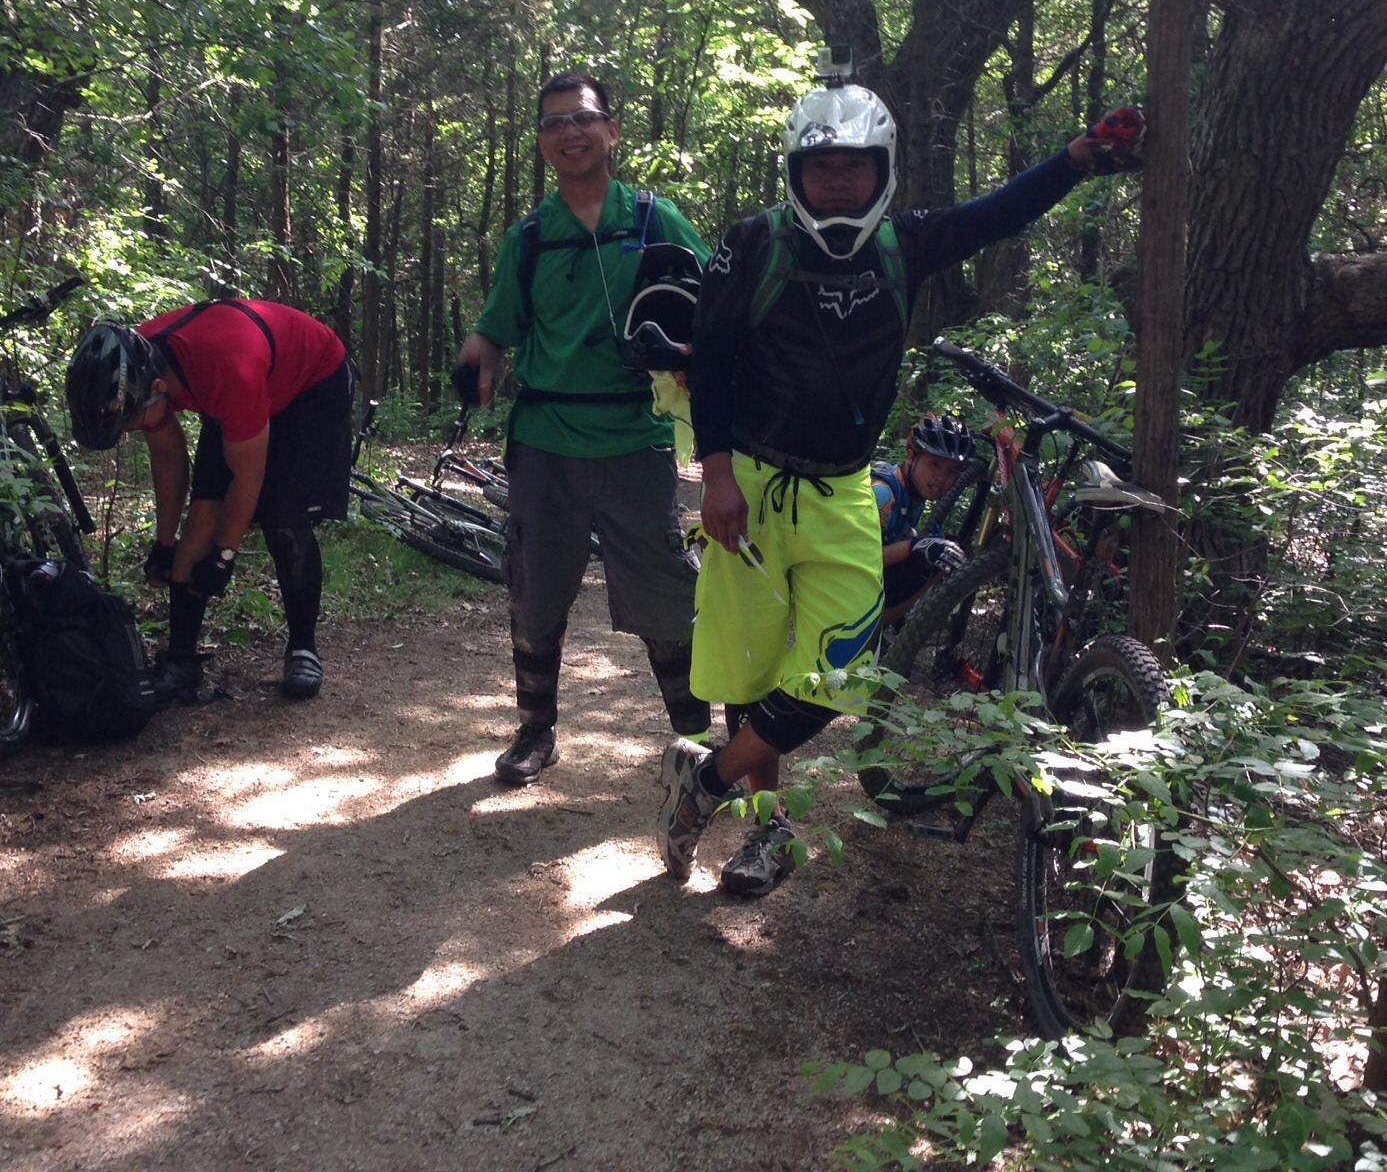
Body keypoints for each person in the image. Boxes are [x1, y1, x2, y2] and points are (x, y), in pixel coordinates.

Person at [660, 66, 1143, 896]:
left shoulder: (904, 242)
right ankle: (764, 834)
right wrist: (717, 477)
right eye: (822, 167)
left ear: (882, 170)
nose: (838, 180)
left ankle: (701, 785)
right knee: (751, 676)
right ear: (795, 171)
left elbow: (998, 213)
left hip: (845, 494)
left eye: (855, 166)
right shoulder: (755, 242)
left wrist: (1081, 158)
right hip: (752, 488)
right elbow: (715, 361)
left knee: (831, 682)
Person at [456, 70, 714, 785]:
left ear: (611, 131)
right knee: (535, 586)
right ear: (541, 143)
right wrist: (476, 357)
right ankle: (536, 731)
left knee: (664, 589)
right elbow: (496, 327)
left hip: (636, 438)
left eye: (581, 119)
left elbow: (713, 306)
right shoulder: (532, 237)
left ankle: (695, 741)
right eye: (552, 124)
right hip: (545, 440)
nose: (568, 133)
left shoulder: (657, 220)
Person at [65, 298, 354, 704]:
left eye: (130, 424)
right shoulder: (137, 362)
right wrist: (165, 545)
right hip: (244, 380)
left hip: (313, 383)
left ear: (157, 390)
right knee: (202, 513)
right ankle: (182, 661)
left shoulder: (228, 371)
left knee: (283, 521)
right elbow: (170, 461)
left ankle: (303, 648)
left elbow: (246, 481)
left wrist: (224, 556)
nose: (130, 432)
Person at [875, 413, 977, 625]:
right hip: (834, 581)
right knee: (924, 556)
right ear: (912, 455)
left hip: (863, 579)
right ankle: (870, 633)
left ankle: (886, 626)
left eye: (952, 472)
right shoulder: (884, 494)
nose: (942, 478)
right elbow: (857, 559)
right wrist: (916, 546)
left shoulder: (913, 494)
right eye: (935, 465)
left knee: (939, 558)